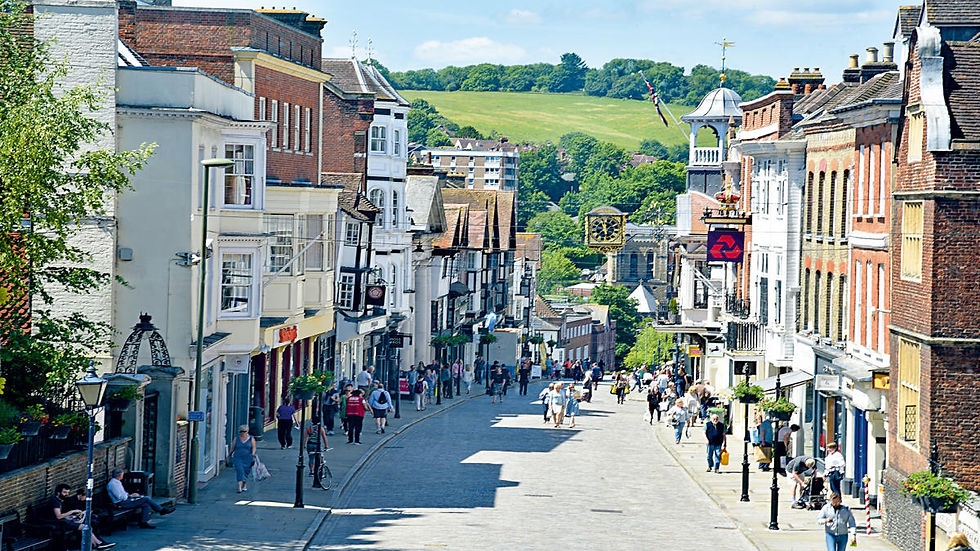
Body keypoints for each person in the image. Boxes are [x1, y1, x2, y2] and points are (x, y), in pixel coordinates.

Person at [44, 483, 115, 549]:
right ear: (58, 492)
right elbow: (58, 516)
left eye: (68, 492)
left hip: (64, 521)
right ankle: (97, 544)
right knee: (84, 526)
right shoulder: (55, 502)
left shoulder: (60, 501)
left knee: (87, 524)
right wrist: (72, 512)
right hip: (59, 524)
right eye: (64, 492)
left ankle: (96, 543)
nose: (67, 494)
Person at [108, 467, 174, 525]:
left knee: (145, 504)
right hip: (121, 503)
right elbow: (120, 497)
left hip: (125, 500)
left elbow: (123, 494)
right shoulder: (113, 484)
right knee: (146, 498)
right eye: (122, 474)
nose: (123, 476)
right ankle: (161, 510)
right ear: (119, 475)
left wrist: (131, 495)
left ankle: (144, 522)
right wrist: (130, 496)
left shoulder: (117, 482)